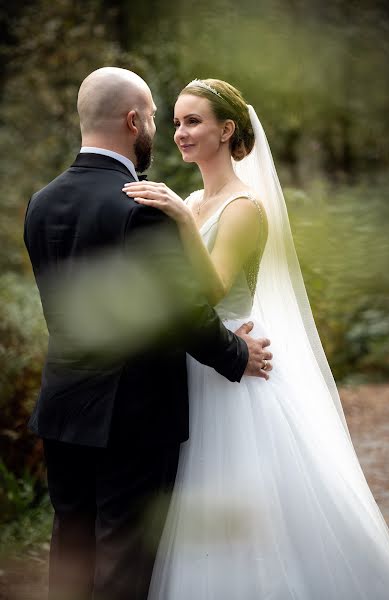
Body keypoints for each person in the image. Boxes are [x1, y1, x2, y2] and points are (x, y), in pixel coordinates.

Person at [122, 78, 389, 599]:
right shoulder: (191, 198)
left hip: (235, 361)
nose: (180, 133)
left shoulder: (244, 207)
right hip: (192, 358)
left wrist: (180, 217)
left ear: (227, 130)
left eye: (194, 121)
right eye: (177, 121)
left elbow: (213, 286)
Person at [23, 68, 272, 600]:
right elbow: (181, 311)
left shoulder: (40, 204)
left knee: (71, 546)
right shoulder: (144, 206)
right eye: (159, 118)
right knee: (122, 555)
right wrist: (235, 354)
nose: (164, 130)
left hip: (64, 404)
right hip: (133, 412)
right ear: (133, 120)